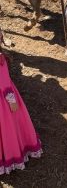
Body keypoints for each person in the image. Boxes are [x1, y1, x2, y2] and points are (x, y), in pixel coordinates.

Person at [0, 28, 42, 175]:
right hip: (4, 100)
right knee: (9, 127)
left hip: (3, 100)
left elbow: (4, 82)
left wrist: (11, 100)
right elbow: (4, 83)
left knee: (6, 128)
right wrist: (11, 99)